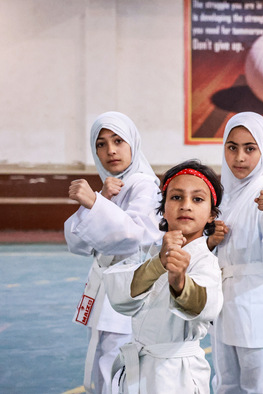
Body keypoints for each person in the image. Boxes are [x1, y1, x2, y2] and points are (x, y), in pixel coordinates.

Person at [103, 160, 224, 393]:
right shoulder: (152, 254)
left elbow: (207, 306)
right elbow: (120, 295)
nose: (185, 206)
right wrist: (159, 263)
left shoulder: (205, 261)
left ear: (211, 214)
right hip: (140, 368)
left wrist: (179, 282)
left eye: (197, 199)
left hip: (176, 374)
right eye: (176, 197)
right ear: (163, 207)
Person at [64, 111, 162, 393]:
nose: (111, 150)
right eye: (101, 144)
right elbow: (77, 242)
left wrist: (96, 203)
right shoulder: (109, 188)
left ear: (132, 143)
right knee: (106, 366)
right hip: (107, 288)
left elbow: (133, 237)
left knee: (122, 369)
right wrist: (101, 199)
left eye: (118, 140)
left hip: (132, 287)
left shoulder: (144, 185)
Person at [207, 112, 263, 394]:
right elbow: (206, 253)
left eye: (250, 148)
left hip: (259, 303)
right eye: (232, 147)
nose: (240, 157)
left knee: (262, 387)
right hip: (224, 305)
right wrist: (211, 241)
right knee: (226, 385)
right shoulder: (220, 196)